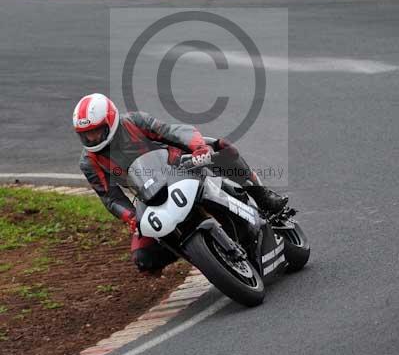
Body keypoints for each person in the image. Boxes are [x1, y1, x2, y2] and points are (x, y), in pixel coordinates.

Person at [73, 93, 287, 273]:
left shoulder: (134, 122)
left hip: (179, 165)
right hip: (149, 193)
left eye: (95, 131)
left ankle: (263, 196)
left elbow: (172, 131)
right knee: (143, 258)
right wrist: (129, 216)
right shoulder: (88, 162)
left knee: (222, 148)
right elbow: (110, 196)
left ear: (110, 122)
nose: (92, 138)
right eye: (86, 134)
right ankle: (209, 258)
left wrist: (197, 147)